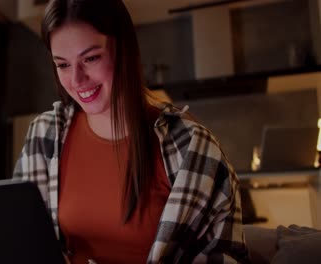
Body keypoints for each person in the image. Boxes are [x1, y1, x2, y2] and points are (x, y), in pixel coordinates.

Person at [13, 0, 250, 263]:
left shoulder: (192, 148)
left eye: (90, 58)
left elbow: (225, 257)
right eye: (63, 65)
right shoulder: (44, 135)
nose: (77, 80)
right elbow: (21, 239)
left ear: (124, 50)